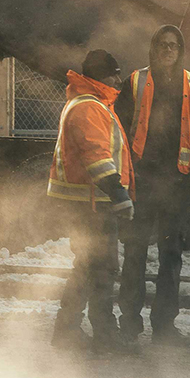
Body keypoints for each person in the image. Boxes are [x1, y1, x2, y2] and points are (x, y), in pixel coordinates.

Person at [114, 25, 190, 345]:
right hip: (143, 180)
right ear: (154, 48)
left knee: (171, 254)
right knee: (135, 251)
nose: (168, 50)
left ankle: (164, 326)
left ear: (180, 50)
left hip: (178, 183)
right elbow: (121, 129)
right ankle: (129, 322)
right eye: (163, 45)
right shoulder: (136, 81)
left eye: (174, 45)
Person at [46, 48, 135, 354]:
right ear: (103, 76)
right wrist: (118, 192)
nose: (120, 79)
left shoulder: (89, 104)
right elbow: (97, 156)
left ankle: (75, 331)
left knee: (93, 267)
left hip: (90, 202)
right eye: (115, 73)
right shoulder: (90, 107)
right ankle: (94, 334)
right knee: (96, 268)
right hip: (92, 204)